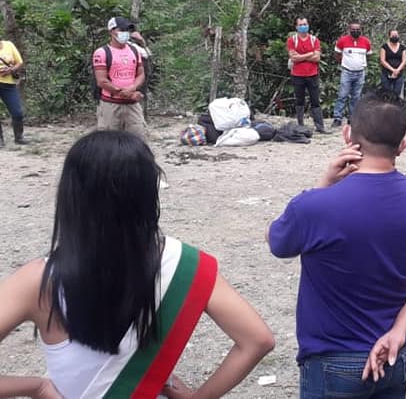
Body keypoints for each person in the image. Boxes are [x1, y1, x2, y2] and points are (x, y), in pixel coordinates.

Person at [0, 131, 274, 398]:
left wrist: (36, 387)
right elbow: (257, 340)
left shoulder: (37, 281)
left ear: (70, 194)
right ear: (148, 193)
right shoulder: (182, 263)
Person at [268, 90, 406, 398]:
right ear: (402, 146)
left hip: (333, 359)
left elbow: (276, 240)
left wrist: (322, 185)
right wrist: (399, 330)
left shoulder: (314, 206)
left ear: (347, 135)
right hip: (398, 352)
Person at [93, 17, 147, 140]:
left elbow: (140, 74)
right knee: (109, 142)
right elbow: (101, 81)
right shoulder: (102, 53)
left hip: (132, 105)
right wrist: (124, 93)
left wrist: (132, 88)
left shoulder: (134, 51)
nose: (125, 33)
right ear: (112, 31)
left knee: (138, 140)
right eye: (122, 30)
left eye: (127, 30)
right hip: (111, 105)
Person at [288, 17, 328, 133]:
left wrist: (301, 56)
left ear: (308, 25)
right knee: (299, 100)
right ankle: (300, 125)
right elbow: (293, 58)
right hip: (297, 75)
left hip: (312, 74)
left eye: (305, 24)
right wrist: (310, 54)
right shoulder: (292, 40)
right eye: (300, 25)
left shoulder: (314, 40)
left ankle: (320, 126)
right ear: (296, 27)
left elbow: (317, 58)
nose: (303, 26)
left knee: (315, 100)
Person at [332, 21, 373, 128]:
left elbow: (368, 55)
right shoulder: (342, 40)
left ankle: (353, 118)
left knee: (356, 97)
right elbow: (337, 54)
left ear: (361, 30)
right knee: (342, 95)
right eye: (353, 29)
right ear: (349, 30)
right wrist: (344, 63)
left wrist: (360, 64)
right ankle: (337, 118)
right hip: (347, 72)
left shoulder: (366, 42)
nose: (355, 31)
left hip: (360, 73)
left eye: (358, 29)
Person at [0, 37, 27, 145]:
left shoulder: (9, 45)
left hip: (8, 84)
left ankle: (19, 137)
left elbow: (19, 62)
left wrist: (10, 70)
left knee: (17, 112)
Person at [379, 29, 406, 98]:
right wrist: (393, 70)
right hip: (386, 73)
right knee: (386, 92)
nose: (395, 37)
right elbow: (382, 60)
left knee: (397, 93)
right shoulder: (384, 47)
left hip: (399, 73)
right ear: (389, 36)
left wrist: (397, 70)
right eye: (393, 35)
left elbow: (404, 60)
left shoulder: (402, 48)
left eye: (396, 35)